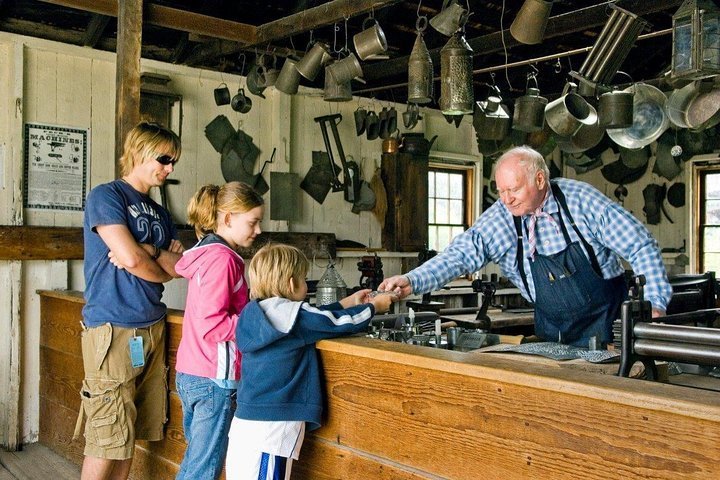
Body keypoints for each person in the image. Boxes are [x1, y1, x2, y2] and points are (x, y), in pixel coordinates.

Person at [380, 145, 672, 348]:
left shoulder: (581, 202)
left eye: (514, 189)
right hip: (552, 339)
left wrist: (655, 306)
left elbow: (640, 244)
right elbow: (461, 255)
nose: (506, 199)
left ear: (540, 179)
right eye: (501, 190)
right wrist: (411, 280)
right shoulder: (504, 217)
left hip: (609, 333)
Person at [225, 243, 396, 479]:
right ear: (291, 283)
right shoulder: (294, 319)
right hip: (275, 427)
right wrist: (372, 307)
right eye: (304, 279)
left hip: (246, 423)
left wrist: (348, 302)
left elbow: (315, 316)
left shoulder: (253, 314)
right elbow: (336, 323)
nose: (307, 285)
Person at [76, 121, 184, 480]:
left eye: (174, 162)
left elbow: (175, 267)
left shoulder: (161, 213)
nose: (170, 168)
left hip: (151, 326)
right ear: (139, 150)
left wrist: (148, 250)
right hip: (113, 326)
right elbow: (133, 259)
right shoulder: (106, 196)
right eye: (165, 158)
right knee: (106, 435)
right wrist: (147, 258)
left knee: (130, 434)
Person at [174, 181, 264, 480]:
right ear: (227, 219)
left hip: (193, 370)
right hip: (215, 378)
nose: (258, 230)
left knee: (196, 463)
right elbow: (213, 323)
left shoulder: (204, 253)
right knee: (203, 470)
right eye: (253, 222)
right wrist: (257, 320)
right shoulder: (223, 260)